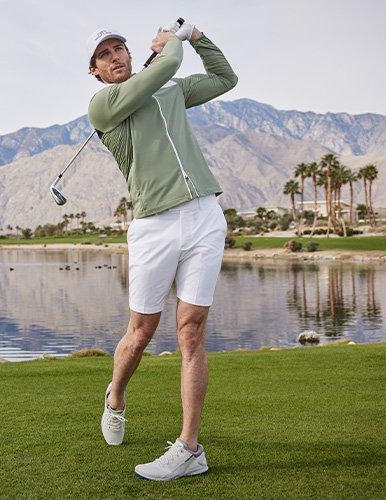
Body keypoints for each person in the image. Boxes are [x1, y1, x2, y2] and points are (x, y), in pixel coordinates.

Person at [87, 20, 237, 481]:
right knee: (141, 331)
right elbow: (167, 63)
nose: (115, 56)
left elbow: (224, 78)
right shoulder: (103, 105)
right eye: (104, 54)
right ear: (95, 71)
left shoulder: (169, 90)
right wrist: (173, 43)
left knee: (190, 330)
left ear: (131, 55)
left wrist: (197, 37)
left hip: (204, 217)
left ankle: (191, 448)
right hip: (153, 225)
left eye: (120, 49)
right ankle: (115, 395)